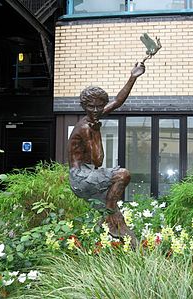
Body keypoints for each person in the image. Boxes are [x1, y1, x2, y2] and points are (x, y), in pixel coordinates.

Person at [67, 62, 145, 247]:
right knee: (123, 174)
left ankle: (112, 220)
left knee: (118, 213)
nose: (96, 111)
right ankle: (109, 215)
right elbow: (98, 160)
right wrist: (96, 133)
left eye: (100, 107)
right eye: (91, 107)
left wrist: (133, 77)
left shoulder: (94, 116)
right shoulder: (86, 127)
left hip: (88, 174)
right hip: (81, 178)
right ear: (84, 106)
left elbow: (118, 101)